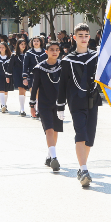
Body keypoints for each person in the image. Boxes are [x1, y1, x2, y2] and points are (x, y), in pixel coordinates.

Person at [56, 23, 102, 188]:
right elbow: (62, 84)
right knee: (81, 133)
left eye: (86, 35)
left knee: (89, 138)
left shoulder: (96, 57)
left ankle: (82, 166)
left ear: (89, 37)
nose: (83, 38)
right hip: (76, 101)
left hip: (92, 99)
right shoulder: (67, 60)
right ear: (74, 38)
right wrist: (60, 106)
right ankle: (84, 169)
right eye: (80, 35)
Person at [29, 41, 63, 172]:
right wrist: (32, 105)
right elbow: (35, 87)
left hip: (59, 104)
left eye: (57, 49)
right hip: (44, 104)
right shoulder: (39, 68)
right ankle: (54, 158)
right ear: (46, 52)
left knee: (55, 131)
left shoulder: (62, 66)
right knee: (49, 129)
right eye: (52, 49)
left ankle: (49, 155)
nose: (54, 52)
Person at [10, 38, 29, 117]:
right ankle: (22, 109)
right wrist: (8, 76)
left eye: (24, 44)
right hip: (17, 74)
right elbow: (10, 66)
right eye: (21, 44)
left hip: (27, 74)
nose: (23, 46)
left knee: (25, 90)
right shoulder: (14, 55)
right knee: (21, 89)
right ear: (18, 45)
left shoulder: (28, 54)